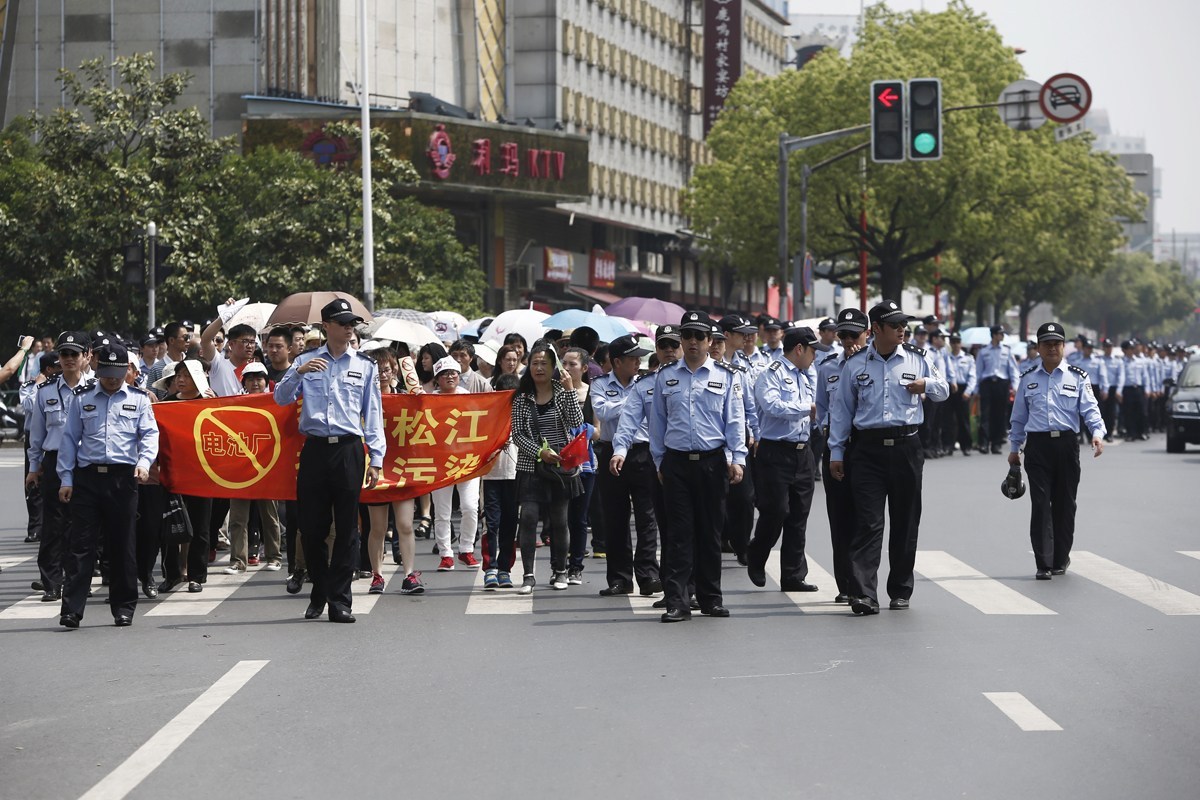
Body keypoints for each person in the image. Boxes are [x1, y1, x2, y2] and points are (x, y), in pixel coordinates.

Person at [828, 300, 949, 615]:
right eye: (894, 325)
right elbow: (841, 411)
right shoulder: (855, 365)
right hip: (866, 450)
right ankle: (865, 593)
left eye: (903, 324)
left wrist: (927, 385)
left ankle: (900, 589)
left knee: (906, 521)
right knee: (868, 522)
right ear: (876, 329)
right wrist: (837, 451)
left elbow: (944, 389)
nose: (902, 329)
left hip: (907, 446)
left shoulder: (918, 358)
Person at [274, 299, 385, 624]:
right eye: (342, 321)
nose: (349, 327)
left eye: (352, 322)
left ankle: (340, 600)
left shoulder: (364, 365)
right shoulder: (306, 361)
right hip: (316, 450)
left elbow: (373, 414)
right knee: (311, 528)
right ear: (326, 327)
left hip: (349, 450)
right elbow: (281, 398)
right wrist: (297, 371)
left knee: (349, 529)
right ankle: (319, 591)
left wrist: (376, 459)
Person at [649, 312, 746, 622]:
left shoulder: (726, 376)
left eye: (699, 336)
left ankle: (710, 598)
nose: (692, 341)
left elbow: (734, 421)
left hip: (712, 463)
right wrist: (659, 460)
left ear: (709, 341)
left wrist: (738, 458)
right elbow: (657, 423)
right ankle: (677, 601)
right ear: (682, 340)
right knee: (679, 534)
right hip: (676, 463)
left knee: (710, 532)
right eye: (687, 335)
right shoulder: (666, 376)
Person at [56, 341, 159, 628]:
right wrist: (66, 478)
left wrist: (144, 463)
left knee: (122, 545)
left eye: (117, 371)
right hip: (87, 479)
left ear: (127, 370)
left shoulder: (138, 399)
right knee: (81, 546)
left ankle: (124, 607)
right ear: (99, 370)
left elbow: (149, 435)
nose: (112, 378)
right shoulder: (82, 398)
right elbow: (69, 440)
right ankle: (72, 610)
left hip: (123, 479)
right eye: (106, 372)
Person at [1008, 323, 1105, 580]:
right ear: (1038, 348)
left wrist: (1097, 434)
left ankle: (1060, 558)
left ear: (1064, 347)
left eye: (1057, 343)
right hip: (1037, 448)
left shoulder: (1078, 377)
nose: (1052, 348)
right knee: (1040, 504)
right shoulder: (1028, 378)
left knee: (1065, 504)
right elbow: (1018, 418)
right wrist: (1014, 449)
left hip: (1066, 446)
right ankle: (1043, 562)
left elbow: (1091, 410)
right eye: (1047, 343)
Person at [747, 325, 830, 593]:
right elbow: (771, 406)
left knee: (798, 515)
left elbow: (819, 411)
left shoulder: (808, 375)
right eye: (812, 350)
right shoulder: (770, 373)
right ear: (799, 349)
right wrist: (808, 409)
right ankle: (757, 554)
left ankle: (793, 575)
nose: (815, 356)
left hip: (802, 451)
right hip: (775, 452)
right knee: (775, 511)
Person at [509, 343, 584, 595]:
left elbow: (576, 423)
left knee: (560, 520)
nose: (539, 368)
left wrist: (571, 390)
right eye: (534, 363)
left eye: (544, 363)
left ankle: (560, 570)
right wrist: (539, 452)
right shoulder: (521, 397)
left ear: (554, 367)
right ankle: (528, 575)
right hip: (530, 466)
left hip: (560, 465)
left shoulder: (562, 391)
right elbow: (517, 435)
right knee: (528, 517)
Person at [591, 334, 662, 597]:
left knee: (647, 517)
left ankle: (648, 575)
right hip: (611, 452)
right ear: (617, 361)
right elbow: (603, 412)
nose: (637, 362)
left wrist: (627, 404)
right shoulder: (599, 384)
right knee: (615, 517)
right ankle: (620, 578)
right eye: (632, 358)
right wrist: (634, 403)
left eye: (639, 357)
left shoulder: (646, 383)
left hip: (644, 453)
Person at [24, 333, 89, 601]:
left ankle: (78, 578)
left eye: (75, 354)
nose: (69, 359)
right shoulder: (46, 391)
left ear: (86, 355)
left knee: (83, 524)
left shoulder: (96, 388)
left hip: (85, 462)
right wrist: (34, 466)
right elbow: (36, 434)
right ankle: (51, 581)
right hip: (53, 461)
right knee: (54, 523)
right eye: (64, 354)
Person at [814, 308, 869, 602]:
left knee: (865, 518)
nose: (848, 341)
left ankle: (862, 583)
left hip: (865, 446)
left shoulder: (872, 364)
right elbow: (821, 405)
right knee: (839, 518)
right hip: (836, 446)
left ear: (866, 335)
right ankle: (845, 584)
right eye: (843, 335)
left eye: (854, 334)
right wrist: (826, 427)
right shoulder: (827, 367)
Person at [363, 348, 424, 595]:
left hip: (402, 467)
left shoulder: (405, 396)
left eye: (386, 370)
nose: (382, 375)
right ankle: (377, 575)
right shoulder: (364, 398)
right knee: (377, 528)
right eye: (377, 372)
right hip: (375, 467)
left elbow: (423, 412)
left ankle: (409, 575)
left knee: (405, 524)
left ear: (394, 370)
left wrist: (418, 393)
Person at [154, 360, 216, 593]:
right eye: (178, 375)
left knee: (200, 527)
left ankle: (197, 575)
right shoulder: (166, 405)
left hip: (202, 474)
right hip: (172, 475)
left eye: (187, 375)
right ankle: (171, 574)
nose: (181, 379)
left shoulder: (211, 402)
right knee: (170, 525)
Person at [223, 362, 284, 574]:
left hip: (266, 466)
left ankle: (274, 556)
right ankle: (238, 560)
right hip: (240, 467)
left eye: (259, 379)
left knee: (269, 514)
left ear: (266, 382)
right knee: (238, 517)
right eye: (250, 379)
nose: (255, 383)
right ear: (244, 382)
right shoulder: (235, 403)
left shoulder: (275, 402)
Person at [429, 356, 483, 570]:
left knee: (470, 507)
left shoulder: (469, 398)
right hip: (439, 462)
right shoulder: (429, 400)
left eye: (453, 373)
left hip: (467, 460)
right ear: (437, 379)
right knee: (442, 511)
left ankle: (466, 549)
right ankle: (445, 554)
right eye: (444, 374)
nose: (450, 377)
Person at [561, 347, 597, 584]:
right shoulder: (554, 392)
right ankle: (559, 565)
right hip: (559, 463)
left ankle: (576, 566)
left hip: (585, 464)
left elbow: (598, 431)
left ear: (584, 368)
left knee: (579, 518)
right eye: (564, 363)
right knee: (559, 516)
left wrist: (580, 433)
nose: (567, 368)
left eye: (572, 364)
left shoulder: (593, 393)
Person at [482, 372, 521, 590]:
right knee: (492, 523)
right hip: (491, 476)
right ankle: (490, 569)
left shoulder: (523, 414)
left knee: (509, 524)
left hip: (515, 476)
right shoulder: (489, 416)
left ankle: (505, 568)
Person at [975, 325, 1019, 454]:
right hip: (987, 384)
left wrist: (1015, 387)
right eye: (1000, 333)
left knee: (1000, 414)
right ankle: (983, 443)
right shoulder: (983, 351)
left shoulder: (1007, 350)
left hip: (1002, 384)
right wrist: (976, 390)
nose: (1002, 335)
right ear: (994, 335)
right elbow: (978, 371)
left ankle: (996, 443)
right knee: (985, 414)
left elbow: (1013, 370)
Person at [946, 333, 977, 456]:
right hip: (950, 389)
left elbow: (972, 376)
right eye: (953, 342)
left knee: (964, 420)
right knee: (949, 420)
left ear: (961, 343)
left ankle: (966, 445)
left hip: (963, 389)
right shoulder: (946, 357)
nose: (955, 344)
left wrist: (968, 391)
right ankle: (949, 445)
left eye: (957, 342)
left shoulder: (968, 358)